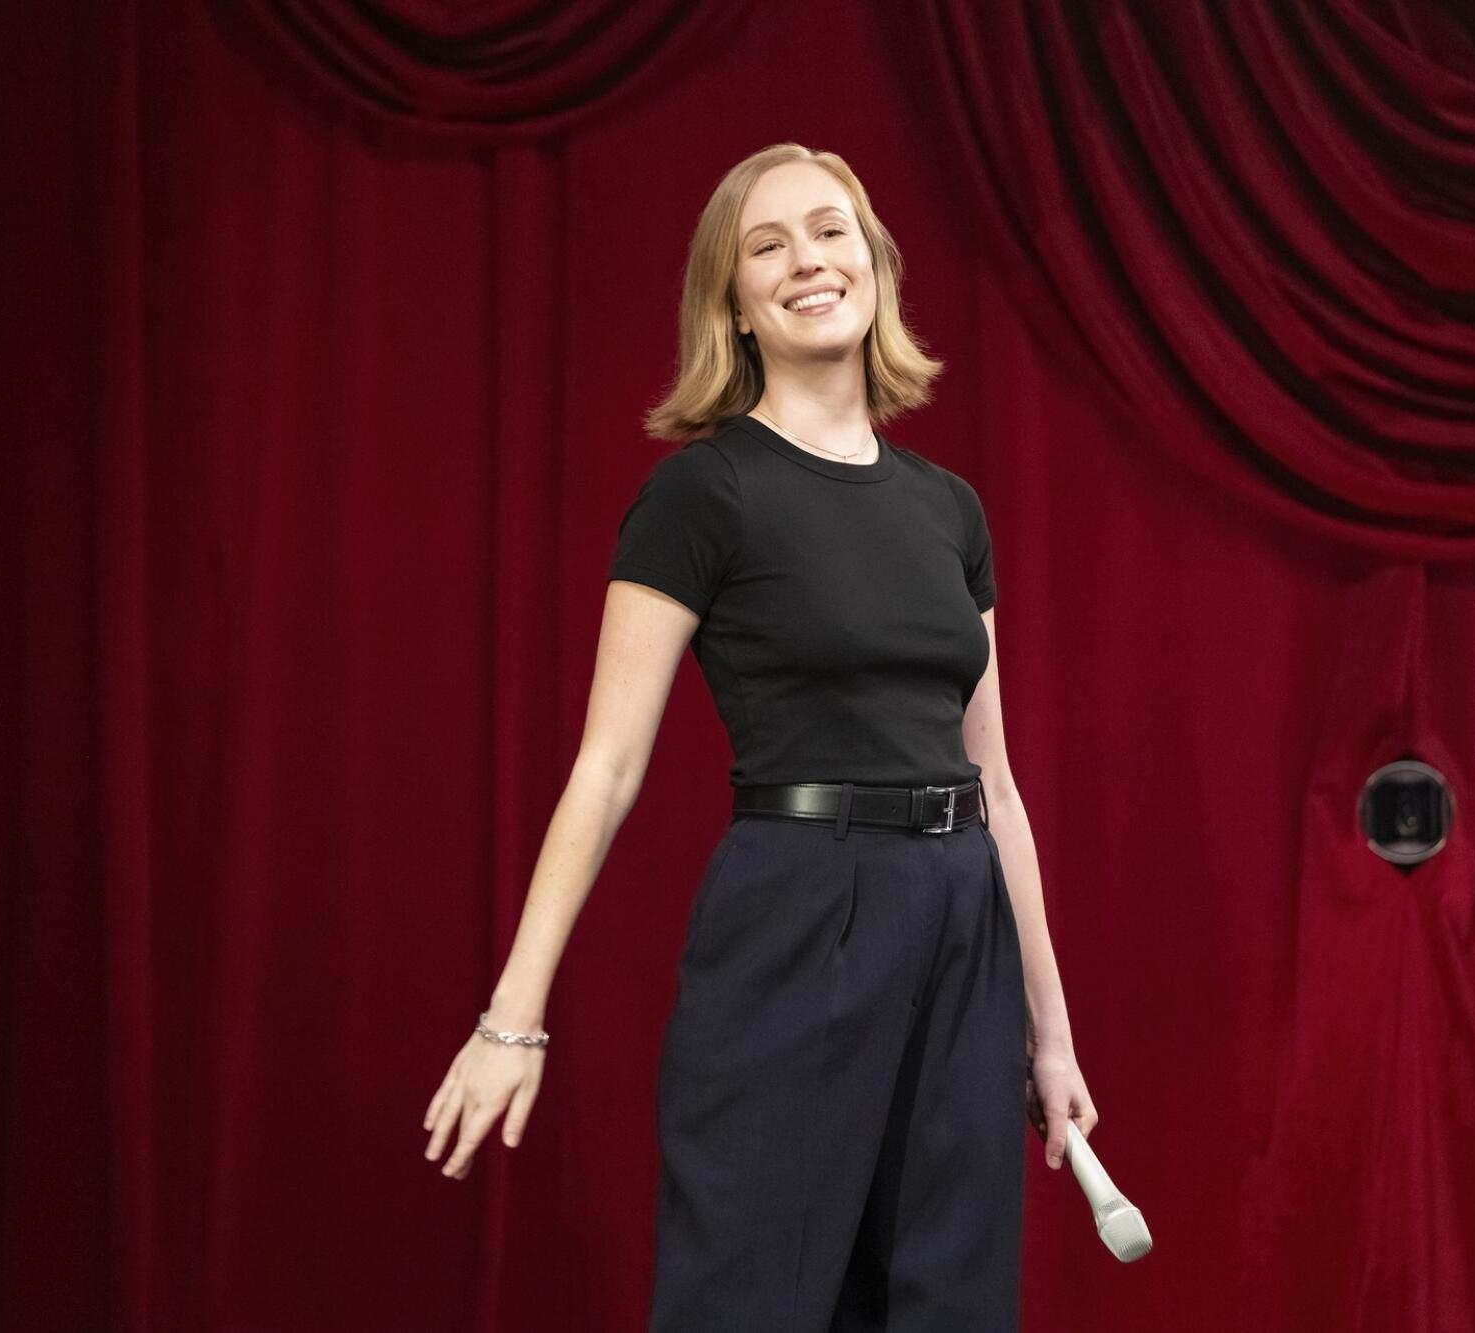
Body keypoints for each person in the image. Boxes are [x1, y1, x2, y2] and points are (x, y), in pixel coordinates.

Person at [421, 142, 1097, 1330]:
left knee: (947, 1300)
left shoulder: (948, 508)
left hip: (958, 926)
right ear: (732, 305)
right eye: (765, 246)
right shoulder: (702, 496)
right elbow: (607, 768)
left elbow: (992, 779)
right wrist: (508, 1022)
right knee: (756, 1299)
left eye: (830, 230)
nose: (806, 261)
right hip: (800, 912)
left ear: (875, 262)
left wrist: (1049, 1036)